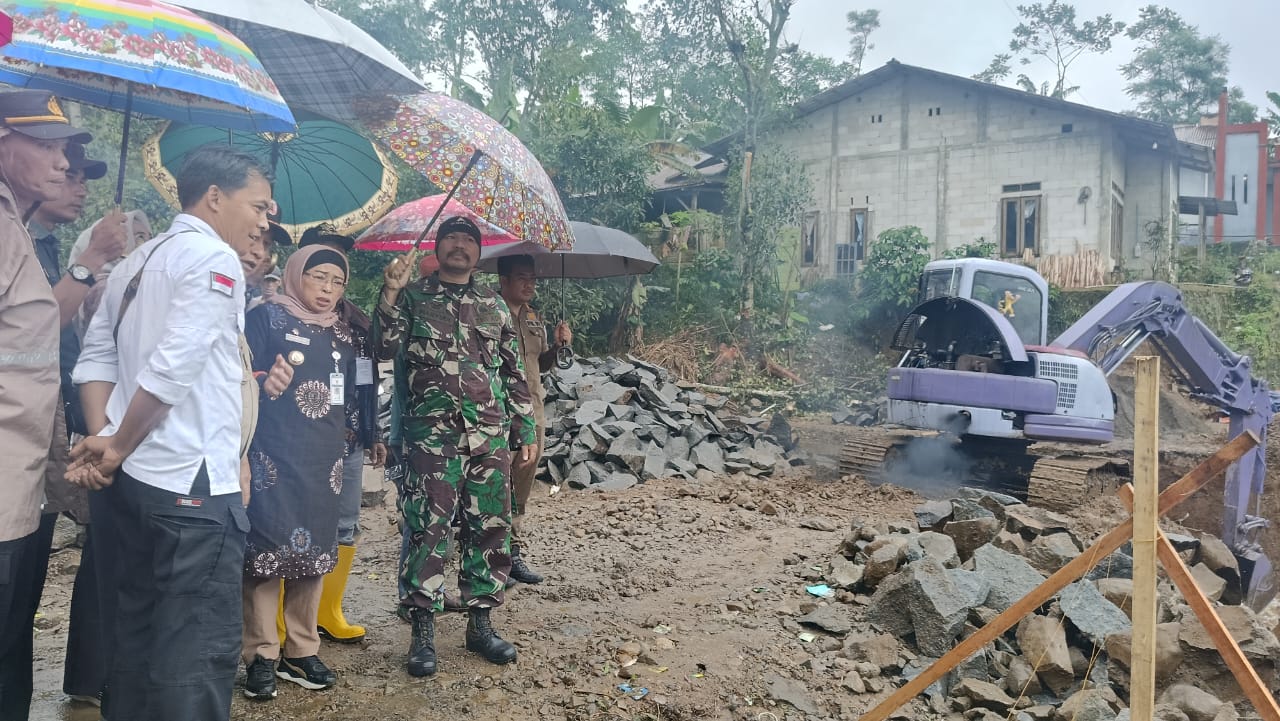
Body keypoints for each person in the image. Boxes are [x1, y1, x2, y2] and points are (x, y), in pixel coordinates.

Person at [68, 144, 275, 721]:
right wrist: (118, 445)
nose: (265, 220)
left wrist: (106, 442)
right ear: (214, 197)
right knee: (194, 655)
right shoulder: (214, 261)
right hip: (191, 486)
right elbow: (177, 363)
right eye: (258, 206)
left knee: (133, 639)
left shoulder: (137, 262)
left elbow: (94, 358)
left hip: (130, 485)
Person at [375, 215, 536, 677]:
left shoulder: (494, 304)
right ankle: (422, 630)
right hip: (432, 437)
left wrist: (524, 428)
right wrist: (389, 292)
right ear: (438, 247)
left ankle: (480, 624)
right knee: (428, 529)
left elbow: (511, 372)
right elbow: (382, 349)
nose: (460, 246)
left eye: (468, 240)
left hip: (487, 435)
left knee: (489, 527)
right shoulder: (412, 297)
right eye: (451, 238)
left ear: (478, 252)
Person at [0, 88, 92, 721]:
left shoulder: (14, 227)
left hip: (20, 479)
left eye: (65, 149)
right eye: (48, 147)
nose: (64, 165)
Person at [27, 139, 128, 709]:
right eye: (68, 172)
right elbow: (32, 328)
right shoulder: (25, 242)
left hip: (57, 422)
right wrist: (87, 266)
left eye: (86, 175)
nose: (78, 181)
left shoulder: (47, 244)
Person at [241, 244, 356, 700]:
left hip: (324, 457)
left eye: (337, 281)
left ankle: (301, 650)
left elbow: (352, 385)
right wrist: (261, 380)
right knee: (268, 550)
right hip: (274, 452)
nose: (327, 289)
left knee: (314, 555)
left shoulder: (343, 333)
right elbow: (235, 374)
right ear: (295, 275)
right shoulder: (265, 318)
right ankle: (261, 654)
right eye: (318, 277)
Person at [293, 224, 386, 643]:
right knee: (294, 525)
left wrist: (374, 432)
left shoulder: (356, 320)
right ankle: (283, 621)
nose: (331, 268)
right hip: (302, 444)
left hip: (348, 441)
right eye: (321, 258)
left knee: (345, 526)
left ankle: (329, 611)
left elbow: (371, 377)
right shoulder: (281, 315)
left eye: (339, 259)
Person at [495, 254, 573, 585]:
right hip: (498, 410)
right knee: (496, 481)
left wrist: (558, 347)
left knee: (523, 479)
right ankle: (491, 557)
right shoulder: (488, 314)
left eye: (533, 278)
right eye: (522, 277)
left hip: (533, 409)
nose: (529, 284)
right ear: (504, 280)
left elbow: (540, 365)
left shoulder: (533, 319)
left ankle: (513, 554)